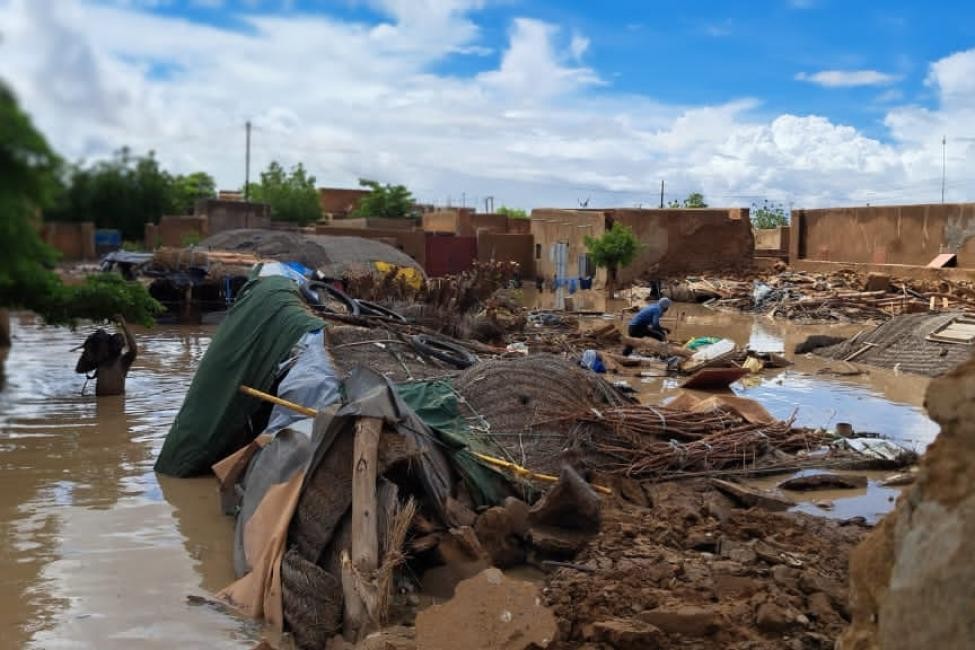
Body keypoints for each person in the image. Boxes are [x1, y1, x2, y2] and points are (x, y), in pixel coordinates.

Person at [74, 314, 137, 396]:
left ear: (122, 346)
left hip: (116, 398)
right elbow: (80, 369)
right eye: (115, 344)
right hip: (102, 398)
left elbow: (133, 348)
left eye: (118, 344)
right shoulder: (102, 358)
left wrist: (124, 325)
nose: (116, 346)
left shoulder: (124, 361)